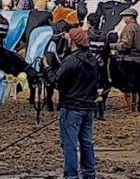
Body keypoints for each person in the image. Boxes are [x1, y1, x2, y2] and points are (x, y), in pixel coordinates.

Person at [43, 28, 98, 179]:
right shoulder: (92, 59)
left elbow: (56, 82)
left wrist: (46, 67)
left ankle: (71, 176)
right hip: (88, 106)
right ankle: (89, 173)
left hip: (72, 107)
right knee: (86, 142)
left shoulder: (71, 60)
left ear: (72, 42)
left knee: (69, 144)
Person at [111, 7, 140, 111]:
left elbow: (125, 45)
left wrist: (113, 46)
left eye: (125, 17)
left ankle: (129, 107)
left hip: (128, 59)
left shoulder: (128, 28)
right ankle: (138, 105)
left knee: (127, 84)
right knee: (138, 84)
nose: (123, 19)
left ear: (131, 17)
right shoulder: (139, 28)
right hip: (139, 58)